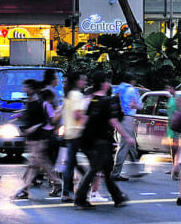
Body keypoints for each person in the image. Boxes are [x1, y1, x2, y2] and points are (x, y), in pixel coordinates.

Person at [74, 71, 132, 209]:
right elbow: (114, 121)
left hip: (90, 140)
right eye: (107, 81)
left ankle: (118, 197)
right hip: (102, 141)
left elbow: (85, 119)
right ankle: (80, 199)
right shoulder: (108, 101)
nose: (109, 84)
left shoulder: (92, 99)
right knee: (95, 170)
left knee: (105, 170)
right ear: (104, 84)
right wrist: (128, 136)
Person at [13, 79, 62, 200]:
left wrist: (33, 128)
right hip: (32, 138)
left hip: (40, 137)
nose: (24, 89)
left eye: (27, 87)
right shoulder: (30, 102)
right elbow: (29, 114)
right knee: (42, 162)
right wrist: (17, 116)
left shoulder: (39, 103)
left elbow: (44, 120)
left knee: (33, 163)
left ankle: (25, 189)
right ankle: (57, 183)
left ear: (32, 89)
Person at [61, 73, 88, 202]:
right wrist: (89, 119)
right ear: (77, 81)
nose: (85, 82)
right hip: (78, 132)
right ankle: (67, 191)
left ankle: (69, 189)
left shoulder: (68, 95)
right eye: (82, 79)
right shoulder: (77, 95)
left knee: (72, 163)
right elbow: (78, 115)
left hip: (69, 132)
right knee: (72, 164)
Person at [112, 74, 142, 181]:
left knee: (131, 144)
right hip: (128, 118)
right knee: (125, 145)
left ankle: (136, 168)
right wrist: (134, 105)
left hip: (117, 118)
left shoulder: (117, 89)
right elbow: (140, 105)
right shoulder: (132, 90)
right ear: (132, 81)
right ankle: (116, 173)